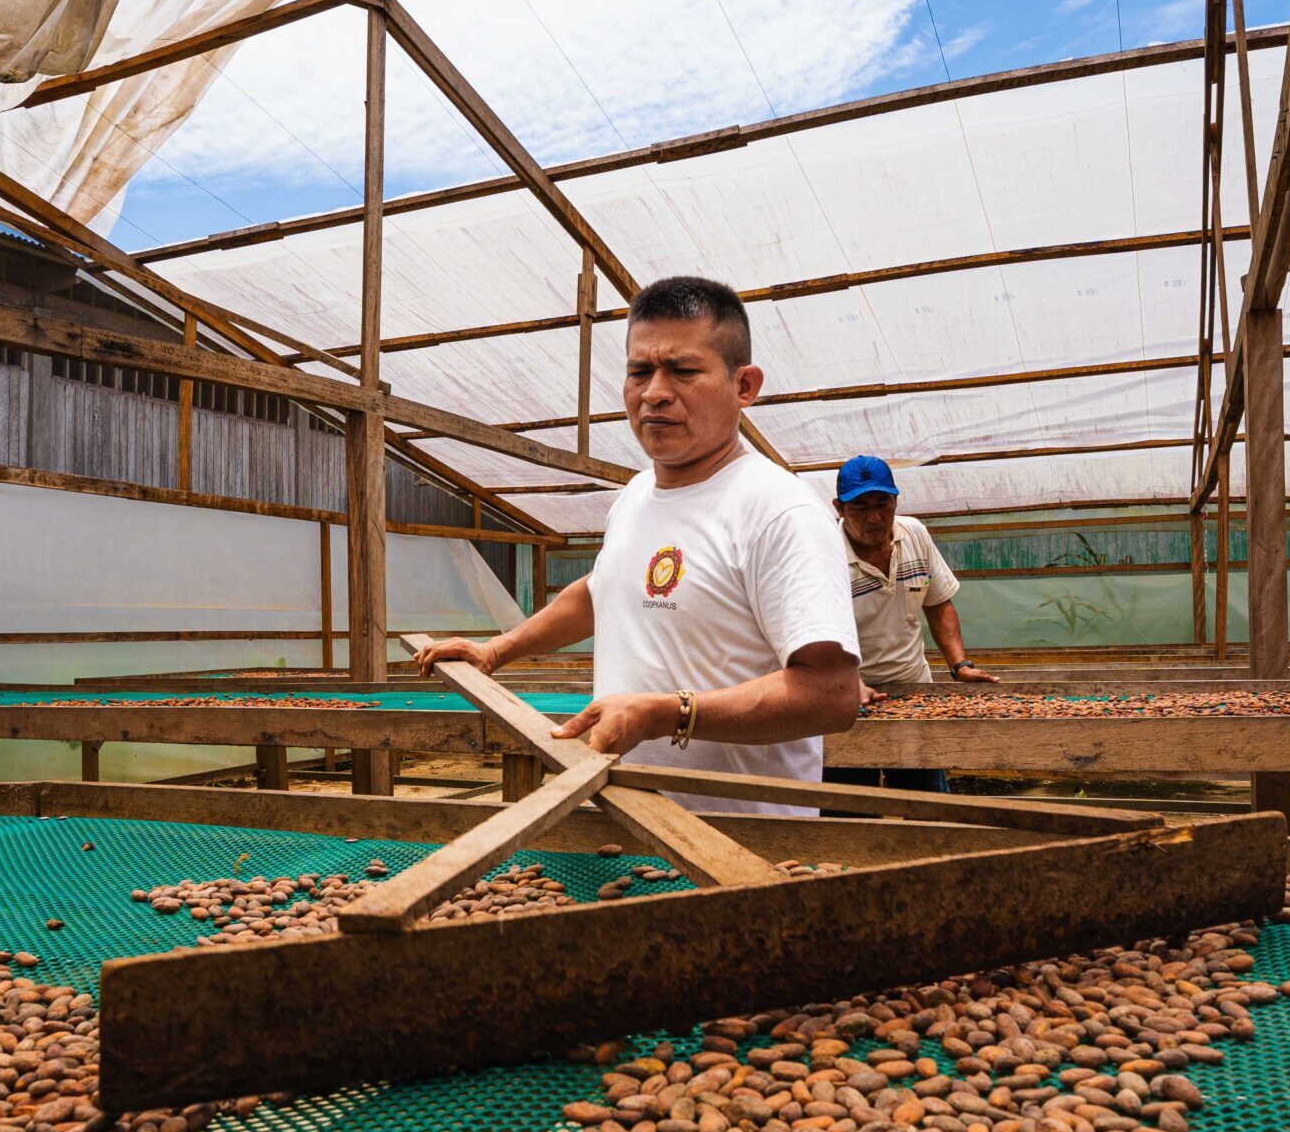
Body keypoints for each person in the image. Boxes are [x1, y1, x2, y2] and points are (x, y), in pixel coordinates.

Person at [415, 275, 860, 815]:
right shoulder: (635, 495)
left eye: (684, 370)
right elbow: (602, 591)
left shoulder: (777, 510)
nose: (655, 392)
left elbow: (831, 696)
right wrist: (495, 650)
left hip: (740, 840)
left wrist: (670, 713)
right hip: (622, 822)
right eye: (640, 371)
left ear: (745, 385)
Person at [831, 454, 996, 795]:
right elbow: (815, 635)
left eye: (883, 503)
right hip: (848, 700)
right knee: (850, 805)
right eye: (861, 507)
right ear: (839, 508)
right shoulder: (824, 554)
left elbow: (937, 603)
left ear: (896, 500)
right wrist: (848, 681)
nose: (875, 517)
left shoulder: (914, 534)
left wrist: (959, 664)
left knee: (926, 798)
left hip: (913, 693)